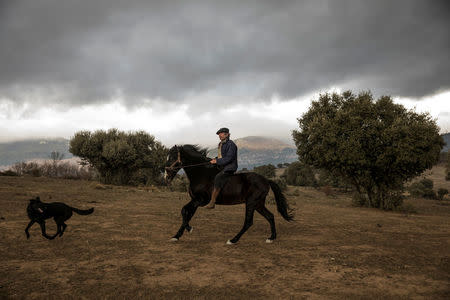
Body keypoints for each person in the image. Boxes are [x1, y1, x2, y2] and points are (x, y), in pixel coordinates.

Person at [205, 127, 238, 209]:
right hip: (222, 165)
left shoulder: (231, 145)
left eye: (221, 133)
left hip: (229, 167)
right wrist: (214, 159)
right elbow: (221, 156)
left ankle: (212, 201)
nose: (219, 135)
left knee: (218, 177)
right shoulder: (221, 144)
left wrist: (217, 161)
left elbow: (229, 158)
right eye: (218, 134)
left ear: (226, 134)